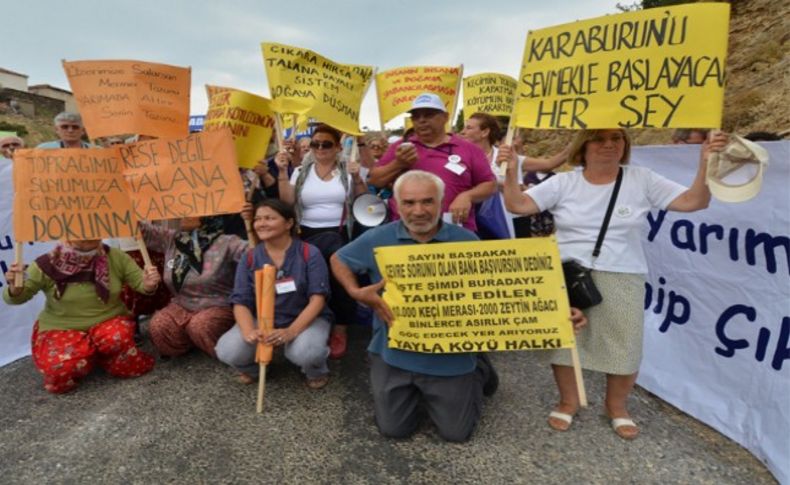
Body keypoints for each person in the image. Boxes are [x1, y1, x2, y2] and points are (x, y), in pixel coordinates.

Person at [500, 128, 728, 439]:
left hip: (623, 271)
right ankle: (568, 400)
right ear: (584, 145)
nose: (608, 145)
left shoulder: (641, 178)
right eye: (598, 138)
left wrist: (706, 162)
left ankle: (616, 406)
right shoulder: (565, 181)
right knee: (566, 343)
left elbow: (693, 202)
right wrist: (511, 170)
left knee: (625, 344)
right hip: (568, 272)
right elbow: (519, 205)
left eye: (616, 138)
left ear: (625, 144)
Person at [331, 170, 587, 441]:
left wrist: (557, 312)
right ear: (396, 205)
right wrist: (355, 291)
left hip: (450, 354)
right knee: (394, 430)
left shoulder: (467, 241)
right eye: (409, 202)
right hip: (394, 352)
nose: (418, 211)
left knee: (456, 434)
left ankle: (478, 368)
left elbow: (504, 293)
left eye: (428, 201)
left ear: (441, 202)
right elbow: (339, 259)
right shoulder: (377, 238)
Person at [2, 240, 160, 393]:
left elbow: (140, 283)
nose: (86, 236)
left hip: (108, 320)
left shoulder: (115, 256)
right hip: (62, 327)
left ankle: (103, 355)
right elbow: (17, 297)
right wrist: (15, 288)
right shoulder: (46, 264)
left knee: (118, 341)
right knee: (61, 370)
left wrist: (148, 284)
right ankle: (87, 355)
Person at [215, 199, 333, 389]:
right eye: (258, 219)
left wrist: (291, 331)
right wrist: (249, 332)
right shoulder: (250, 256)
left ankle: (315, 370)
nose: (261, 223)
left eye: (269, 218)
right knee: (228, 351)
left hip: (304, 318)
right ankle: (253, 368)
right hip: (262, 320)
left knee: (307, 352)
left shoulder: (309, 253)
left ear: (289, 223)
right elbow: (240, 300)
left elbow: (318, 299)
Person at [276, 124, 368, 359]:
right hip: (306, 233)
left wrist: (357, 177)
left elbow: (365, 202)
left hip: (340, 233)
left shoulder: (348, 169)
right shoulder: (301, 171)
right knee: (311, 281)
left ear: (337, 147)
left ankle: (340, 328)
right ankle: (315, 323)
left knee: (340, 280)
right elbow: (287, 203)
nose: (320, 148)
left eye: (326, 144)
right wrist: (282, 172)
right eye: (315, 143)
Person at [368, 93, 496, 232]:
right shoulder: (401, 147)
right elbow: (375, 180)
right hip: (407, 231)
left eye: (429, 115)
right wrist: (399, 163)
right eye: (416, 117)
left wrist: (467, 196)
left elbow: (489, 184)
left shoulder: (468, 149)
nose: (421, 120)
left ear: (445, 118)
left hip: (455, 230)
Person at [140, 216, 248, 358]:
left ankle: (225, 349)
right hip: (181, 305)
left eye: (191, 212)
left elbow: (256, 254)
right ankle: (190, 344)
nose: (183, 217)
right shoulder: (173, 239)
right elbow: (141, 230)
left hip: (218, 305)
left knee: (201, 325)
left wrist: (251, 223)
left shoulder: (227, 242)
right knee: (159, 325)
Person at [460, 112, 568, 238]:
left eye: (469, 128)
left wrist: (576, 145)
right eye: (464, 127)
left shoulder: (509, 156)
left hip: (513, 218)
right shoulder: (458, 158)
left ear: (485, 133)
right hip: (474, 219)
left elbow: (549, 164)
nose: (462, 132)